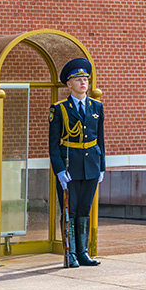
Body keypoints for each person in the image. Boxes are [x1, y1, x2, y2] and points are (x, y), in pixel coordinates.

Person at [49, 57, 105, 266]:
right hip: (70, 165)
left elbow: (100, 139)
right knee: (69, 211)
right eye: (79, 80)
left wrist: (102, 167)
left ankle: (83, 252)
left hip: (90, 165)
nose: (83, 83)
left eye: (86, 79)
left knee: (84, 209)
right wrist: (60, 170)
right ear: (69, 84)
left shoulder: (96, 107)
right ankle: (70, 253)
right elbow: (53, 144)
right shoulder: (60, 109)